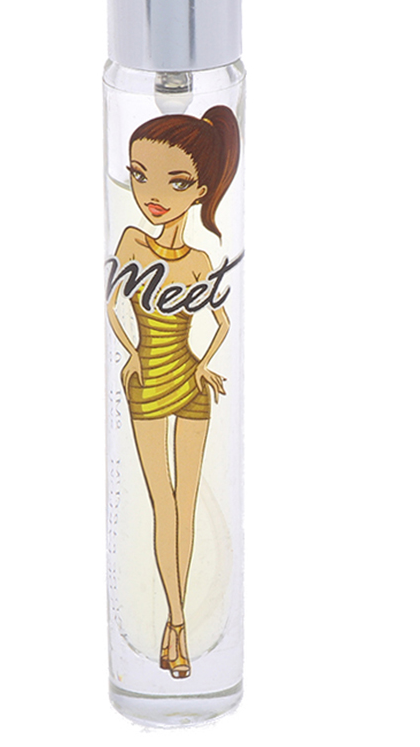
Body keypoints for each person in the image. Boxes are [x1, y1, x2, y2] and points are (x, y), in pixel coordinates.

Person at [106, 104, 240, 679]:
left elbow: (223, 324)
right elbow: (111, 306)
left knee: (187, 501)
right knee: (162, 502)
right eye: (139, 175)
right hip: (146, 381)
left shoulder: (201, 260)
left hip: (189, 382)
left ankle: (178, 625)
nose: (153, 194)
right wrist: (132, 351)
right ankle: (177, 621)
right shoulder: (132, 242)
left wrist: (206, 365)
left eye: (176, 182)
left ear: (201, 190)